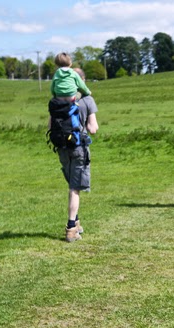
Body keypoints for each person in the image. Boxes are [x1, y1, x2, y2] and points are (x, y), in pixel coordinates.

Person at [51, 67, 99, 242]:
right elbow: (93, 129)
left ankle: (77, 221)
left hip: (62, 148)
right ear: (81, 82)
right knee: (75, 188)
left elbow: (49, 126)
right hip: (78, 148)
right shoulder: (87, 100)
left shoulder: (57, 101)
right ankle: (71, 228)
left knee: (72, 185)